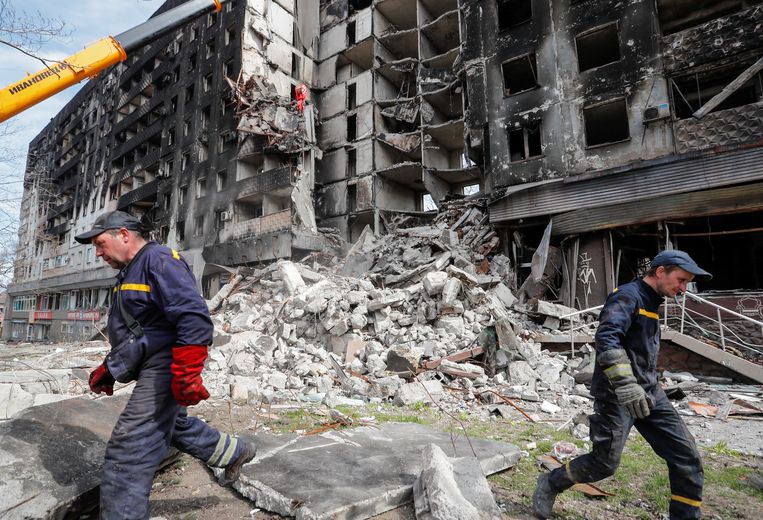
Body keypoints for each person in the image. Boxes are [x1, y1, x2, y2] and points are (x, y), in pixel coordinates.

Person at [75, 210, 256, 519]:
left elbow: (194, 318)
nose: (98, 253)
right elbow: (144, 331)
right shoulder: (132, 270)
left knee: (129, 447)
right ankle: (235, 452)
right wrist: (110, 368)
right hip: (156, 363)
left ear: (124, 234)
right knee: (171, 427)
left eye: (101, 243)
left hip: (167, 364)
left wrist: (187, 372)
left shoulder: (159, 259)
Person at [532, 250, 710, 520]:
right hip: (617, 395)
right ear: (660, 271)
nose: (684, 289)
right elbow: (607, 338)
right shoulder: (628, 295)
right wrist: (626, 384)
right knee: (604, 463)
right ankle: (551, 483)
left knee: (687, 457)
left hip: (649, 392)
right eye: (681, 280)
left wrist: (641, 383)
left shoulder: (652, 301)